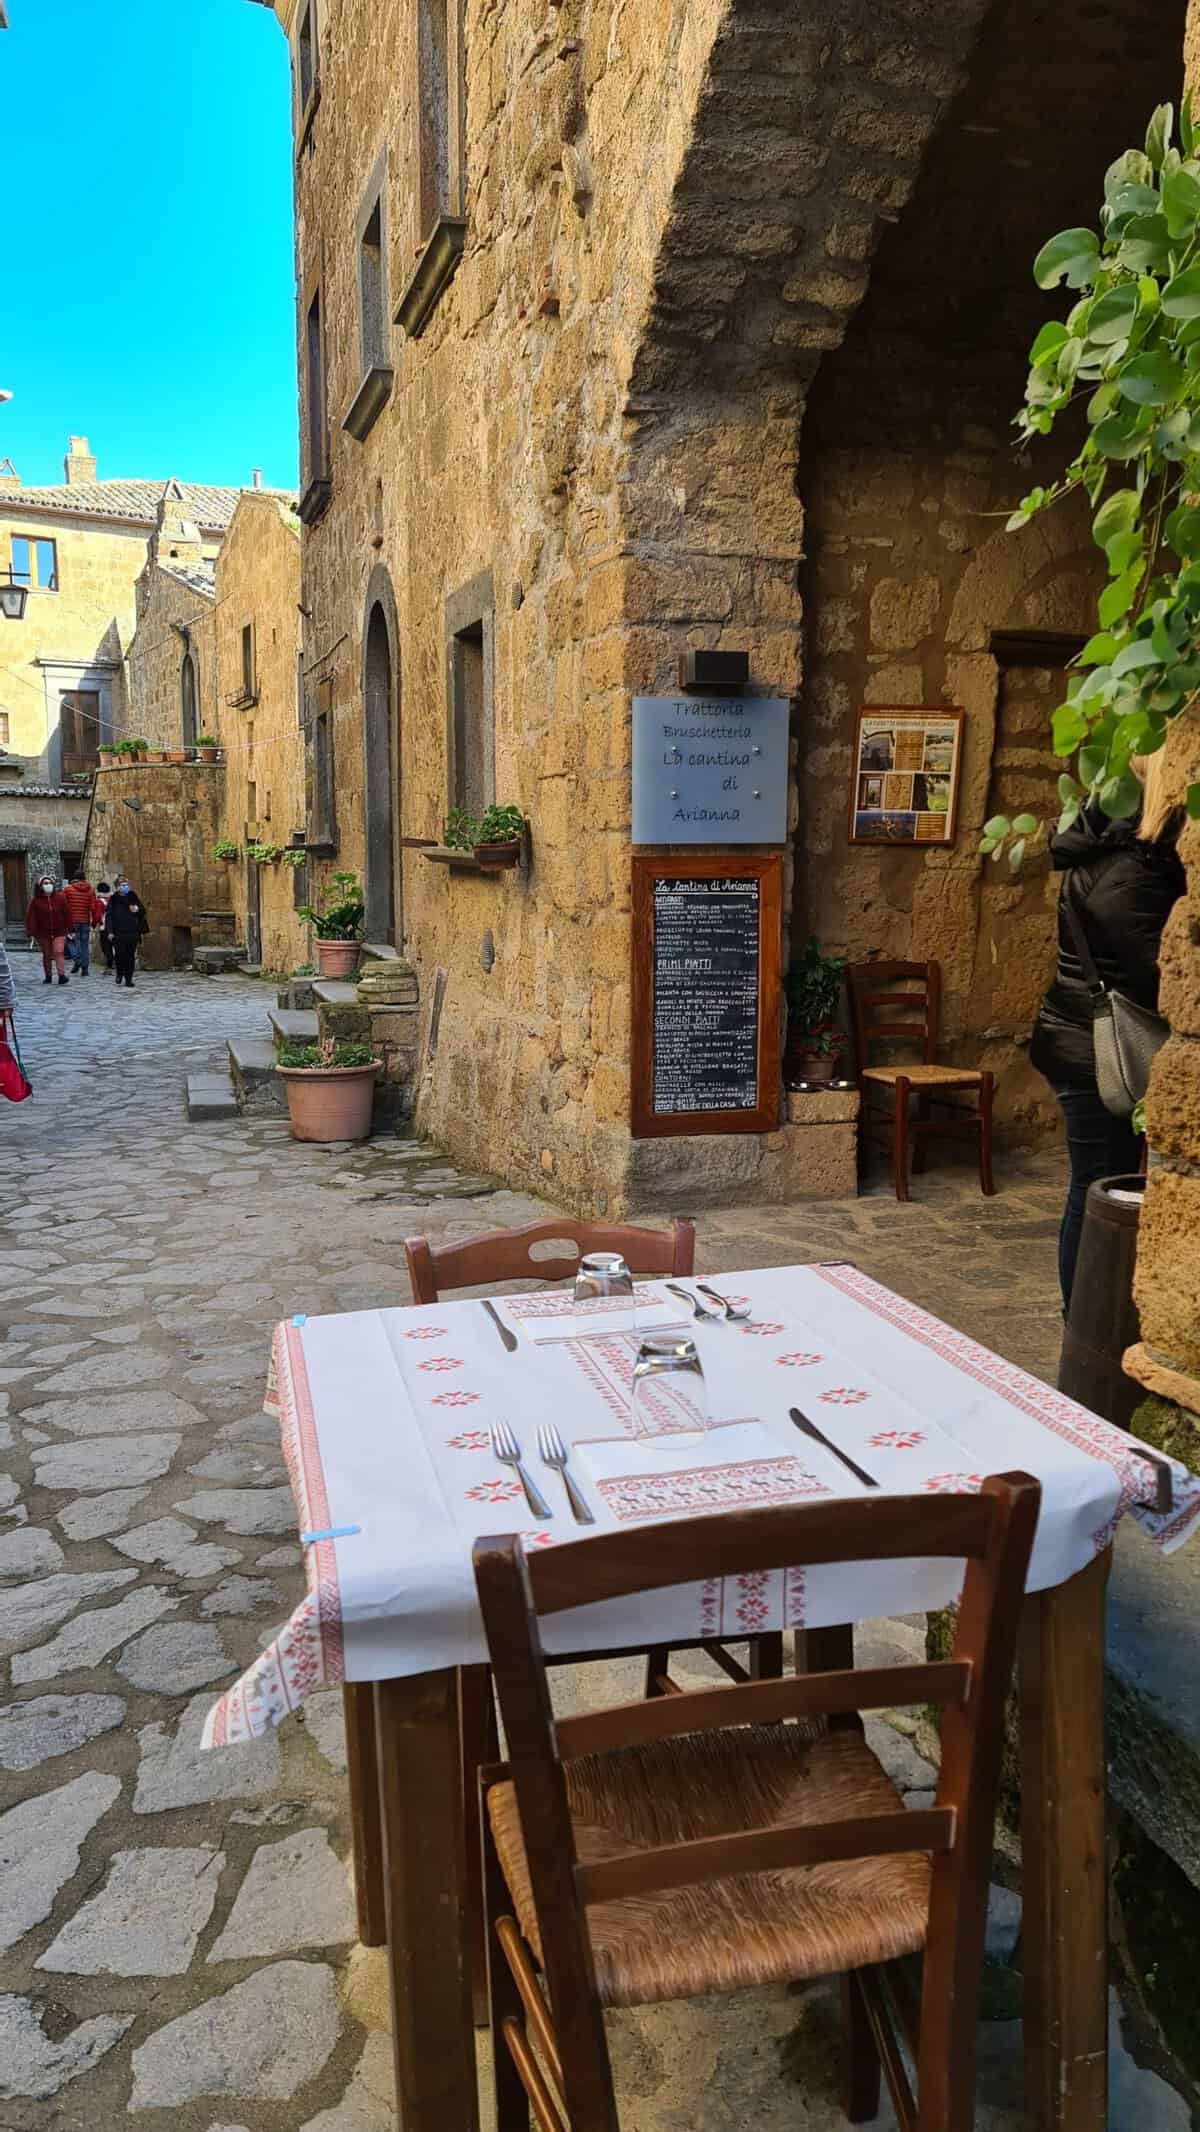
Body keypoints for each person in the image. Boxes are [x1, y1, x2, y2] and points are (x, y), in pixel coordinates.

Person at [1031, 750, 1185, 1311]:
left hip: (1077, 1035)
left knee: (1096, 1180)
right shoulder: (1138, 868)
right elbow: (1153, 969)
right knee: (1100, 1183)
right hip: (1095, 1047)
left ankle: (1090, 1312)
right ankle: (1087, 1316)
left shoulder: (1104, 851)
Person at [25, 876, 71, 985]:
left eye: (50, 883)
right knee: (47, 954)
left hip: (59, 930)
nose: (48, 885)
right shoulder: (36, 901)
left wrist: (70, 928)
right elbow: (31, 917)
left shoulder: (60, 898)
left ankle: (61, 975)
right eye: (45, 883)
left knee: (58, 952)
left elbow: (67, 913)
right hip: (43, 932)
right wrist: (31, 931)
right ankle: (48, 976)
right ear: (40, 886)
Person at [104, 881, 149, 988]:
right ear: (117, 887)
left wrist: (137, 910)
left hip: (132, 932)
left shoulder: (133, 897)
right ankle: (120, 973)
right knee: (119, 955)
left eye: (126, 884)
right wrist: (110, 931)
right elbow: (109, 916)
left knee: (130, 957)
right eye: (122, 885)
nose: (125, 887)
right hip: (118, 933)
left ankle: (129, 979)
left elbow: (142, 911)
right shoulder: (113, 899)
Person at [62, 871, 104, 977]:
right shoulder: (90, 890)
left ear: (74, 878)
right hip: (85, 921)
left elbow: (63, 906)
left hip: (72, 921)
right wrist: (94, 920)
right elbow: (93, 907)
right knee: (84, 945)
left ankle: (77, 959)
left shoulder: (67, 889)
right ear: (84, 879)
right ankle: (85, 969)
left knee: (70, 941)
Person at [94, 881, 114, 972]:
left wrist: (94, 924)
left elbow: (98, 915)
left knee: (106, 946)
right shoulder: (113, 899)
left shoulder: (99, 901)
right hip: (115, 926)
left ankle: (109, 965)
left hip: (104, 926)